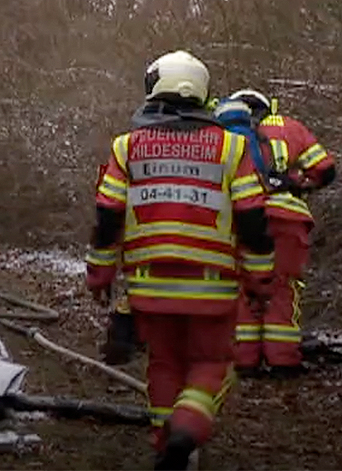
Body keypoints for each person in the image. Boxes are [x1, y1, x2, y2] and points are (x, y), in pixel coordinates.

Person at [85, 50, 275, 471]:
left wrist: (99, 274)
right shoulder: (232, 148)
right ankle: (187, 430)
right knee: (210, 363)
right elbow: (253, 221)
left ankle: (164, 442)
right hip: (213, 287)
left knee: (164, 363)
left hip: (149, 287)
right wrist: (261, 283)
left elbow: (108, 216)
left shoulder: (125, 147)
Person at [215, 88, 337, 374]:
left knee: (244, 287)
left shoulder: (222, 135)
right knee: (283, 286)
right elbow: (326, 169)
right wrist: (301, 185)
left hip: (239, 219)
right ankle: (282, 359)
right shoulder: (289, 127)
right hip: (287, 218)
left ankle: (245, 360)